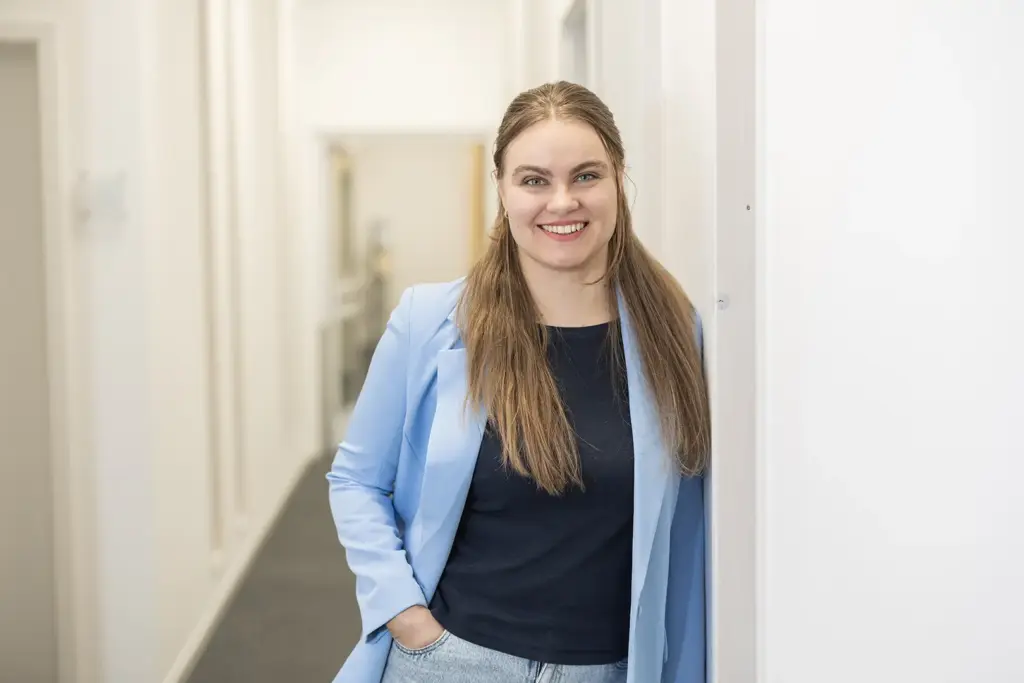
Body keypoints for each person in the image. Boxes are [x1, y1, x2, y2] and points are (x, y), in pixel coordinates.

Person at [327, 81, 711, 683]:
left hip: (608, 669)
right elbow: (355, 479)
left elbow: (690, 525)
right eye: (534, 180)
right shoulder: (430, 323)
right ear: (503, 190)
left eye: (586, 176)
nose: (562, 201)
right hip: (452, 661)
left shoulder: (672, 331)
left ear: (618, 180)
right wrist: (404, 615)